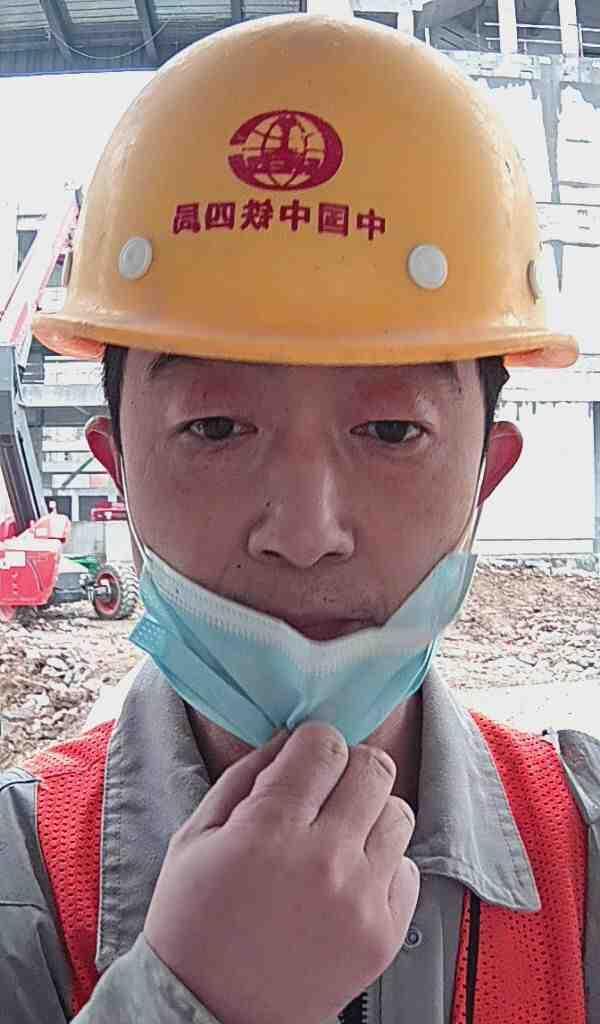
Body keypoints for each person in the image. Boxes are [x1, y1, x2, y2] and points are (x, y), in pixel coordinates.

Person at [1, 14, 598, 1024]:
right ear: (119, 468)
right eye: (217, 426)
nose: (307, 530)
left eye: (392, 431)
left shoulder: (585, 848)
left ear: (485, 474)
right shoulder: (19, 879)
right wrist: (189, 1001)